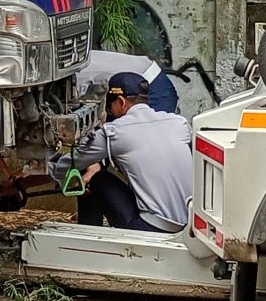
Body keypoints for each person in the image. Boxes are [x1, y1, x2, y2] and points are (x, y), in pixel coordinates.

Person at [50, 71, 192, 232]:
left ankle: (87, 237)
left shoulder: (114, 132)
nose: (109, 110)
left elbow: (74, 161)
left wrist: (54, 173)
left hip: (152, 227)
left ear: (121, 101)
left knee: (97, 179)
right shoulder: (178, 123)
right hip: (190, 226)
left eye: (110, 104)